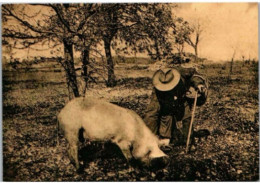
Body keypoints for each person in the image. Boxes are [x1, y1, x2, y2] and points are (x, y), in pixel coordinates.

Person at [143, 65, 208, 152]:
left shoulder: (183, 71)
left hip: (181, 95)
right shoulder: (158, 88)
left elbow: (195, 75)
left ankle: (189, 141)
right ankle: (150, 140)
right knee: (152, 114)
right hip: (163, 97)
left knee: (187, 116)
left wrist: (198, 84)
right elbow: (156, 113)